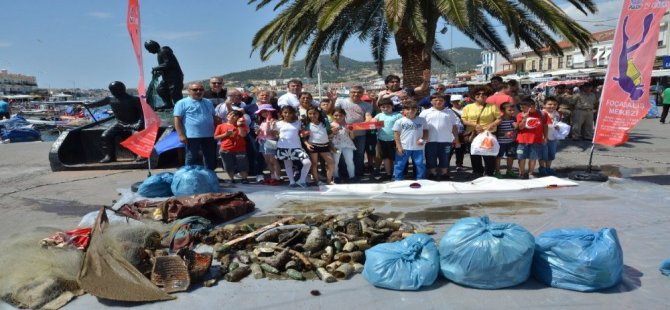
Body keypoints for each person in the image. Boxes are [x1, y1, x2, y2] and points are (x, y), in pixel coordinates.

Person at [86, 81, 144, 163]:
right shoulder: (110, 99)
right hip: (120, 124)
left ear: (122, 89)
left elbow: (142, 113)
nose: (113, 92)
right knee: (105, 136)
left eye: (115, 89)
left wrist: (139, 124)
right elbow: (97, 103)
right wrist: (87, 105)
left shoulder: (134, 99)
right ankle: (109, 156)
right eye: (112, 90)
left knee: (136, 136)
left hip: (133, 123)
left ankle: (140, 155)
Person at [173, 83, 217, 170]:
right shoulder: (182, 103)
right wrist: (181, 135)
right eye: (195, 89)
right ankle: (189, 177)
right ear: (189, 91)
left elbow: (214, 117)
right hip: (192, 136)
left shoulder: (208, 102)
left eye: (201, 89)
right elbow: (177, 119)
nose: (198, 91)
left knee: (210, 158)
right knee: (191, 157)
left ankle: (210, 177)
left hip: (209, 135)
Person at [461, 86, 501, 177]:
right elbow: (463, 120)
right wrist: (475, 125)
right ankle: (477, 172)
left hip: (488, 134)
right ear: (474, 96)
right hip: (473, 134)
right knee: (475, 154)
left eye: (484, 94)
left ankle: (489, 173)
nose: (481, 95)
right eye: (478, 94)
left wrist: (491, 125)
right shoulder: (468, 107)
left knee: (489, 154)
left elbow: (499, 119)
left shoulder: (492, 106)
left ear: (487, 96)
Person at [335, 85, 374, 178]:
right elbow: (334, 113)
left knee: (360, 154)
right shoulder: (341, 102)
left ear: (362, 93)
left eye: (359, 92)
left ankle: (358, 173)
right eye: (353, 92)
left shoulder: (367, 105)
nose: (356, 94)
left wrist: (363, 124)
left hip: (360, 134)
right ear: (349, 93)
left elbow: (368, 117)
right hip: (343, 134)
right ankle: (343, 173)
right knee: (343, 154)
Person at [419, 94, 460, 180]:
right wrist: (421, 139)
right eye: (436, 100)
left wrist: (457, 140)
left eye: (441, 100)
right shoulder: (425, 112)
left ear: (444, 102)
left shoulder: (449, 112)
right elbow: (420, 126)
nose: (438, 102)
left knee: (445, 157)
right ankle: (432, 173)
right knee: (430, 157)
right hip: (430, 140)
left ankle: (444, 173)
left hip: (446, 140)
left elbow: (454, 127)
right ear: (431, 101)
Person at [272, 106, 311, 188]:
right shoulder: (278, 123)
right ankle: (291, 181)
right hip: (283, 146)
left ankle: (302, 180)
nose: (287, 114)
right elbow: (274, 135)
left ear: (293, 113)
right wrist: (271, 127)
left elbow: (302, 133)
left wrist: (304, 134)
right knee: (288, 165)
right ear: (282, 113)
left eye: (289, 112)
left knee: (307, 162)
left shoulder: (298, 123)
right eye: (285, 112)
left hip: (297, 146)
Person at [393, 101, 428, 181]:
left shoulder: (422, 120)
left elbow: (426, 132)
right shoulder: (399, 121)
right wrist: (399, 147)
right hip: (404, 147)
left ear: (417, 110)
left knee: (419, 164)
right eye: (408, 109)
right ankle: (398, 179)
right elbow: (396, 135)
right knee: (400, 164)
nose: (411, 111)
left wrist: (423, 140)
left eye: (413, 109)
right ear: (404, 111)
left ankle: (420, 179)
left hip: (418, 148)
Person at [144, 40, 184, 108]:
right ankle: (168, 104)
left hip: (174, 77)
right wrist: (159, 71)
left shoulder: (164, 51)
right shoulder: (159, 53)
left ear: (153, 47)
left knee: (175, 93)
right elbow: (165, 66)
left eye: (149, 49)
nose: (149, 52)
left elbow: (169, 63)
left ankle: (180, 108)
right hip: (166, 78)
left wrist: (156, 68)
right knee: (161, 89)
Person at [214, 110, 249, 185]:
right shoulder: (221, 126)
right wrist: (225, 134)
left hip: (240, 149)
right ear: (227, 116)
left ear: (238, 118)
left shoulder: (242, 125)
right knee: (228, 165)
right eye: (230, 114)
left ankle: (244, 178)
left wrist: (239, 125)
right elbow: (215, 137)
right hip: (226, 149)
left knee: (242, 164)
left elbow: (243, 135)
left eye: (234, 115)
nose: (232, 116)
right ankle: (231, 179)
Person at [516, 97, 548, 179]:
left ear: (532, 106)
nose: (522, 109)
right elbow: (520, 127)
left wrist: (545, 136)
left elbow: (545, 126)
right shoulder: (520, 115)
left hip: (536, 140)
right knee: (521, 158)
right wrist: (524, 118)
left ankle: (531, 173)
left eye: (524, 107)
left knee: (533, 158)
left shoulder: (542, 114)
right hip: (522, 140)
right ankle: (521, 173)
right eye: (521, 107)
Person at [303, 106, 336, 185]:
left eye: (315, 113)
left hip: (325, 146)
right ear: (307, 114)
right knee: (314, 164)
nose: (312, 115)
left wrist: (333, 132)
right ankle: (317, 181)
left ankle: (328, 181)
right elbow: (304, 138)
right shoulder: (307, 124)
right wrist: (307, 145)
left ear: (319, 114)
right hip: (313, 146)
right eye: (310, 114)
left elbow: (329, 133)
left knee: (331, 163)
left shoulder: (324, 122)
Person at [373, 98, 402, 180]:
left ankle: (396, 173)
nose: (385, 108)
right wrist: (374, 120)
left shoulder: (398, 115)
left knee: (395, 158)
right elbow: (372, 122)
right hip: (382, 140)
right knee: (386, 157)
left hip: (395, 140)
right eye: (383, 107)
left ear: (392, 106)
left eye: (388, 106)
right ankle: (388, 173)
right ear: (380, 108)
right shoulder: (378, 115)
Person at [255, 103, 282, 185]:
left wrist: (270, 127)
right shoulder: (262, 121)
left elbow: (275, 134)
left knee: (273, 160)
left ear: (271, 112)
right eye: (262, 112)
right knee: (267, 161)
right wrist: (258, 131)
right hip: (262, 141)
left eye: (267, 111)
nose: (265, 113)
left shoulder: (274, 121)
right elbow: (258, 133)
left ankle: (277, 177)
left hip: (271, 140)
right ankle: (272, 176)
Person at [331, 108, 357, 182]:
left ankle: (352, 177)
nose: (338, 117)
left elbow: (352, 137)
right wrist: (333, 132)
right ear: (332, 115)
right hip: (336, 145)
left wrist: (351, 131)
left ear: (344, 116)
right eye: (336, 115)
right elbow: (328, 137)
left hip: (347, 145)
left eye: (340, 115)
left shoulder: (348, 125)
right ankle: (336, 177)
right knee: (335, 162)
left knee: (350, 161)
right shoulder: (330, 125)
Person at [494, 102, 518, 178]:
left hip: (511, 142)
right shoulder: (499, 119)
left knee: (510, 156)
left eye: (513, 110)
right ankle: (497, 172)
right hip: (500, 142)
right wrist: (504, 134)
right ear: (503, 110)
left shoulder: (514, 119)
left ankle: (509, 171)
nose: (512, 112)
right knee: (499, 157)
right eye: (510, 110)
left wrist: (515, 130)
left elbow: (516, 129)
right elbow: (495, 131)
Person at [539, 97, 561, 176]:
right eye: (550, 104)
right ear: (544, 105)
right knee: (543, 154)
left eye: (555, 104)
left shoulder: (557, 113)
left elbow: (557, 123)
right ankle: (542, 168)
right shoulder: (541, 113)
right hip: (543, 137)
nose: (552, 106)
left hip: (553, 137)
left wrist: (558, 127)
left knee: (551, 153)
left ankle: (548, 168)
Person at [447, 94, 466, 171]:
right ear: (451, 102)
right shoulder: (448, 111)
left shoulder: (465, 110)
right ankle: (446, 164)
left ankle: (459, 164)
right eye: (455, 102)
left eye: (459, 101)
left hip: (462, 132)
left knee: (460, 150)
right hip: (451, 133)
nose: (457, 103)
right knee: (449, 150)